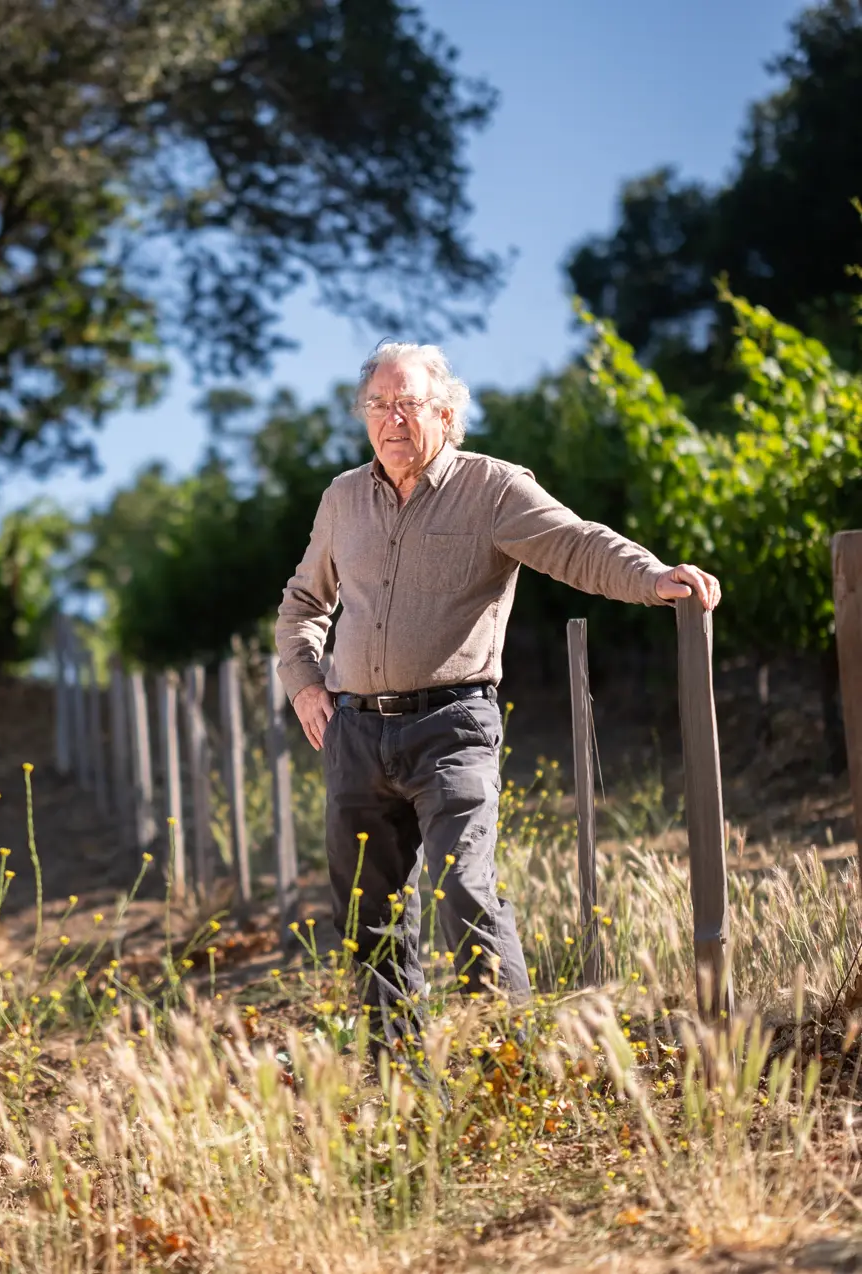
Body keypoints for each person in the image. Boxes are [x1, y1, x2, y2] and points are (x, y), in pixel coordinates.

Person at [274, 341, 720, 1057]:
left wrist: (653, 576)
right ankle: (399, 1077)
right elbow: (302, 602)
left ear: (446, 414)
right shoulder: (342, 499)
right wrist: (303, 682)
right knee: (368, 912)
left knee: (463, 889)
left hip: (452, 727)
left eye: (408, 403)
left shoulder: (494, 488)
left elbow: (575, 544)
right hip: (354, 733)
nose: (391, 420)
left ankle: (510, 1065)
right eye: (377, 406)